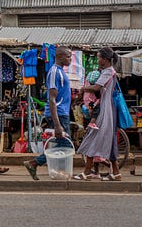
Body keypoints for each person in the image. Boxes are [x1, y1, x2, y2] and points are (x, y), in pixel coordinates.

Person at [23, 46, 73, 180]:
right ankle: (36, 163)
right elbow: (51, 99)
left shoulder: (61, 72)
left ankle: (44, 166)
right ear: (60, 57)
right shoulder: (54, 72)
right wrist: (57, 124)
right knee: (66, 145)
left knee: (61, 144)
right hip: (58, 114)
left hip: (63, 113)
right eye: (68, 56)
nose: (70, 59)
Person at [74, 47, 122, 181]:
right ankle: (116, 172)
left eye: (99, 57)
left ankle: (87, 172)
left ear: (105, 59)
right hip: (106, 109)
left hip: (105, 111)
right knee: (108, 141)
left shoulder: (108, 72)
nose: (98, 60)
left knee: (92, 137)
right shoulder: (107, 71)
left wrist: (83, 88)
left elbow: (97, 87)